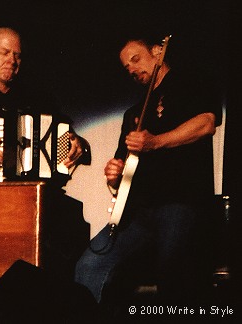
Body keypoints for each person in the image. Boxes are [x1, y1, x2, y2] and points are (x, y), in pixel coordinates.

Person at [74, 33, 222, 317]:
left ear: (158, 52)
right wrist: (113, 177)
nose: (131, 69)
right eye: (126, 67)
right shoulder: (134, 113)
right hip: (137, 213)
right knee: (89, 264)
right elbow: (122, 174)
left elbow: (206, 124)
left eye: (136, 59)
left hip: (180, 203)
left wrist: (156, 141)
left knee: (172, 273)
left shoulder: (192, 83)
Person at [0, 26, 90, 184]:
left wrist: (80, 145)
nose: (11, 61)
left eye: (17, 56)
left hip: (31, 197)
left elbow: (74, 141)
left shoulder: (40, 101)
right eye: (4, 53)